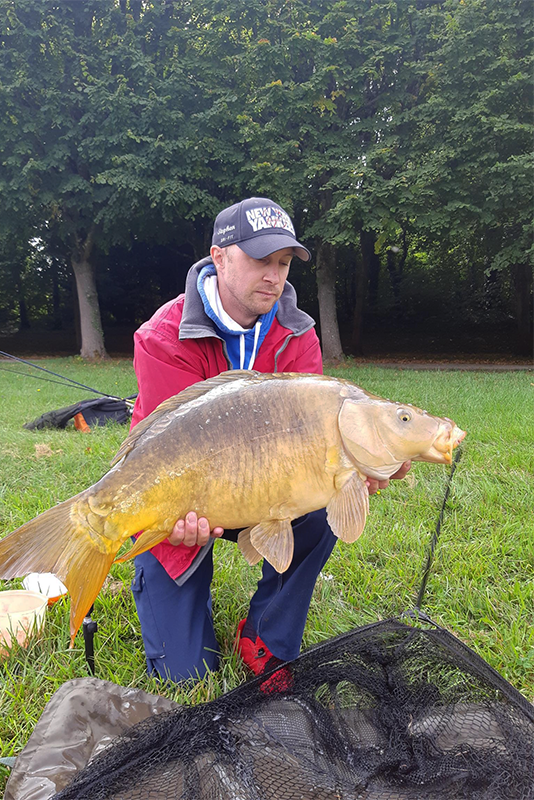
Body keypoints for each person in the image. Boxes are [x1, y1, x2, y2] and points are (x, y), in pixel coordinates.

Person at [129, 197, 410, 682]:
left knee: (322, 504)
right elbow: (161, 448)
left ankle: (266, 633)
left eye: (282, 263)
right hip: (185, 497)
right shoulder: (163, 335)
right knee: (188, 675)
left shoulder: (298, 333)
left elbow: (318, 443)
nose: (274, 276)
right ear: (219, 257)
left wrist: (358, 466)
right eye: (260, 260)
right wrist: (168, 519)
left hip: (267, 492)